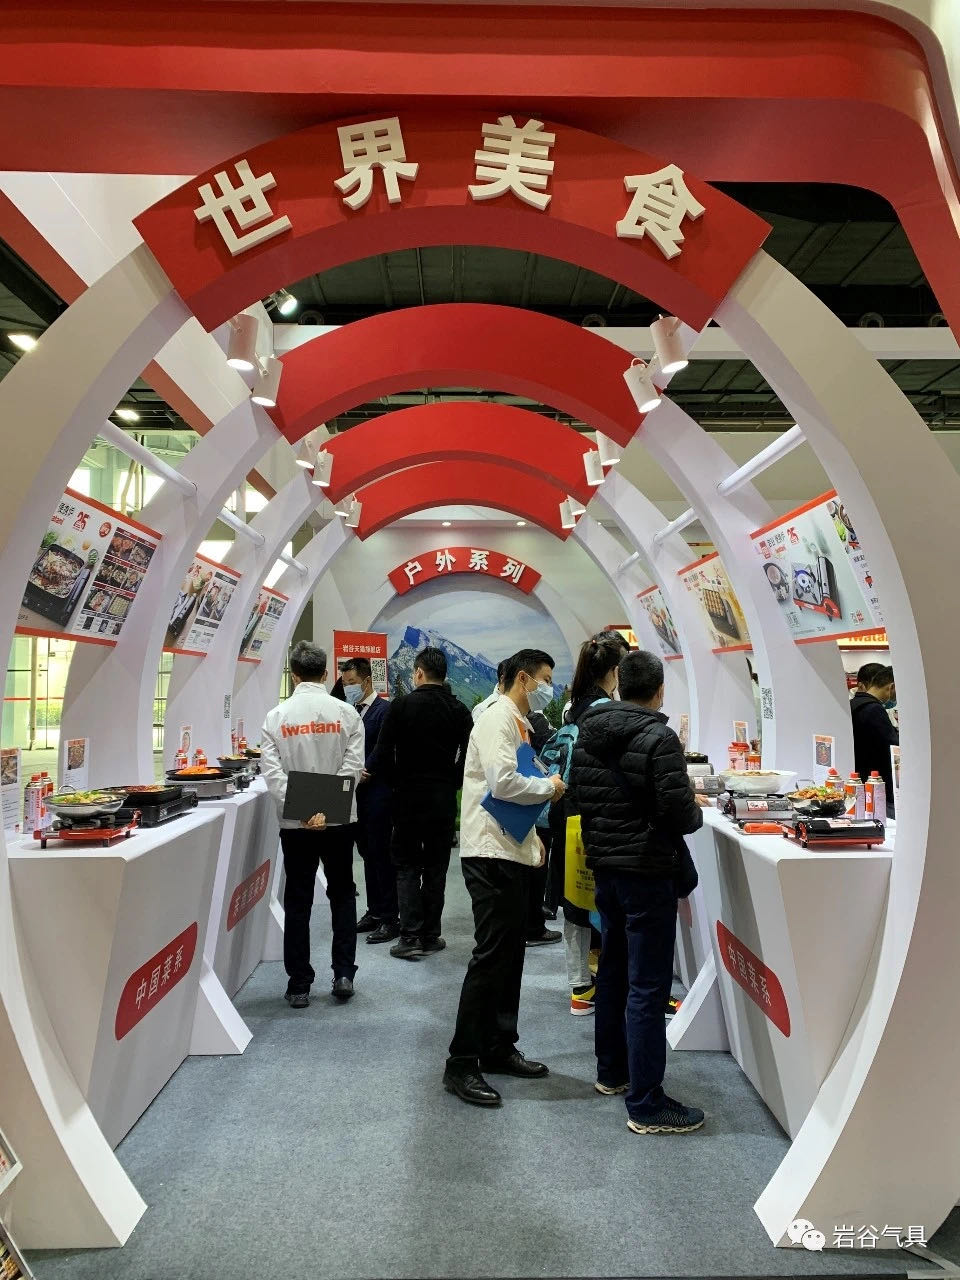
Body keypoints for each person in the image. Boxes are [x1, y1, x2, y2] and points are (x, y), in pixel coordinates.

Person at [570, 649, 706, 1134]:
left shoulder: (588, 731)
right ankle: (647, 1104)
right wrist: (696, 809)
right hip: (647, 869)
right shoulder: (658, 736)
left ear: (620, 684)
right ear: (659, 690)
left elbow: (578, 796)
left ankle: (612, 1072)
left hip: (605, 867)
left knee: (612, 970)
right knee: (648, 986)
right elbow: (680, 813)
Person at [444, 649, 565, 1107]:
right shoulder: (497, 717)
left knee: (511, 953)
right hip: (490, 853)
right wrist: (550, 787)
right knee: (491, 955)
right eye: (544, 679)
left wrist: (531, 844)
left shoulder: (518, 720)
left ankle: (498, 1045)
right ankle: (461, 1061)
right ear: (523, 679)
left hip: (509, 848)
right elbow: (504, 783)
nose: (548, 687)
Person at [261, 641, 365, 1008]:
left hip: (296, 824)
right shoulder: (347, 713)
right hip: (339, 821)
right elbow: (352, 768)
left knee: (298, 899)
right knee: (342, 894)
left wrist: (305, 811)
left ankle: (299, 983)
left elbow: (273, 774)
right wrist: (327, 809)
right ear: (325, 673)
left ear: (293, 675)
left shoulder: (276, 717)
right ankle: (343, 973)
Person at [368, 646, 473, 960]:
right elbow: (469, 756)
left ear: (418, 672)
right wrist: (452, 780)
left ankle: (410, 936)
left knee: (407, 866)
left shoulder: (400, 706)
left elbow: (382, 753)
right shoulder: (459, 710)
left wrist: (393, 781)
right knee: (437, 868)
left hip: (407, 798)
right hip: (442, 798)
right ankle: (430, 935)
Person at [550, 635, 622, 1015]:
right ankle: (604, 981)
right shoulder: (608, 711)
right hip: (597, 817)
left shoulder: (572, 707)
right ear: (615, 671)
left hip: (569, 815)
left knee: (574, 899)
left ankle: (580, 985)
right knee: (604, 900)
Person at [341, 657, 398, 944]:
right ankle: (374, 911)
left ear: (367, 681)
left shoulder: (384, 710)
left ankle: (390, 917)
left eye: (352, 683)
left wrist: (367, 769)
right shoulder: (349, 711)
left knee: (382, 855)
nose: (348, 688)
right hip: (354, 793)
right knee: (365, 853)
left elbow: (385, 748)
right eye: (345, 683)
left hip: (378, 792)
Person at [850, 663, 898, 811]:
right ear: (891, 687)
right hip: (875, 783)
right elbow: (892, 747)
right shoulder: (874, 709)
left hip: (858, 778)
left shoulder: (853, 705)